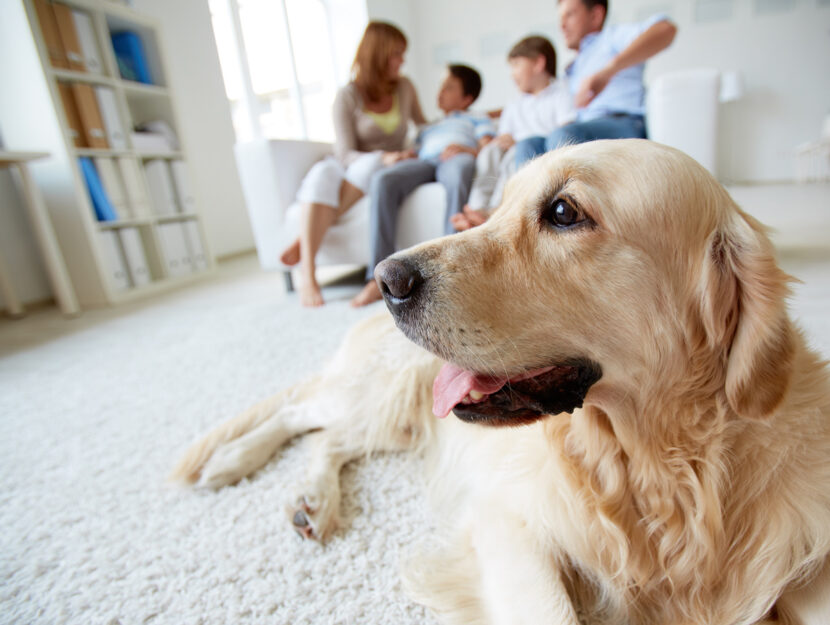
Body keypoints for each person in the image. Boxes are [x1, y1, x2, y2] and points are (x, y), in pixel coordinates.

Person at [279, 21, 426, 307]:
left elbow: (423, 125)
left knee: (373, 168)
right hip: (352, 163)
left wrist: (461, 120)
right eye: (396, 53)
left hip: (382, 167)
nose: (402, 60)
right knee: (321, 173)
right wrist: (383, 156)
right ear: (378, 54)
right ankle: (307, 274)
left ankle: (304, 240)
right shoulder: (348, 95)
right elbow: (344, 152)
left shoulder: (405, 88)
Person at [351, 64, 495, 307]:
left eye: (449, 87)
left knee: (461, 170)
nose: (440, 92)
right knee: (383, 180)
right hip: (425, 161)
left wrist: (468, 150)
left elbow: (489, 144)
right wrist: (407, 155)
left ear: (467, 97)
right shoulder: (428, 128)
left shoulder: (477, 117)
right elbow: (416, 150)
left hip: (455, 157)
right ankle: (375, 279)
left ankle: (450, 270)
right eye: (441, 86)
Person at [514, 0, 677, 167]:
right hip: (580, 130)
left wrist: (607, 72)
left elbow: (665, 29)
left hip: (622, 124)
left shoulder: (610, 39)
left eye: (569, 15)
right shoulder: (574, 67)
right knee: (528, 145)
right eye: (560, 18)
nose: (561, 25)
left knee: (563, 137)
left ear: (595, 15)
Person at [452, 35, 575, 232]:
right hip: (510, 148)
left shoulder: (561, 94)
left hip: (533, 151)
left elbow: (565, 132)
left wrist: (516, 142)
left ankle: (496, 210)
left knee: (512, 156)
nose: (512, 74)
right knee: (490, 153)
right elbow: (504, 134)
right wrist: (501, 140)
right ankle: (476, 208)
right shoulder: (515, 103)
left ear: (538, 63)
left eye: (516, 65)